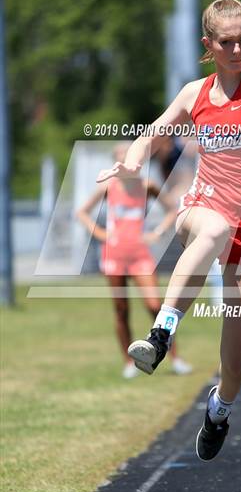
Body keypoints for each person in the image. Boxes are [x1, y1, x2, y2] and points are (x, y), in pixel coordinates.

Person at [97, 0, 241, 460]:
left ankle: (220, 409)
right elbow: (154, 132)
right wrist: (132, 161)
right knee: (211, 231)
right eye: (226, 43)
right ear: (208, 44)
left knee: (235, 362)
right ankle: (161, 333)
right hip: (205, 206)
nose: (236, 51)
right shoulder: (194, 93)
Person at [78, 142, 193, 379]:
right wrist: (100, 234)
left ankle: (174, 357)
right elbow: (81, 212)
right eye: (121, 159)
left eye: (130, 158)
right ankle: (128, 363)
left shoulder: (147, 186)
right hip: (115, 255)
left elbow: (172, 209)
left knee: (154, 306)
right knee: (121, 310)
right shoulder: (109, 187)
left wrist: (159, 231)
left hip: (140, 254)